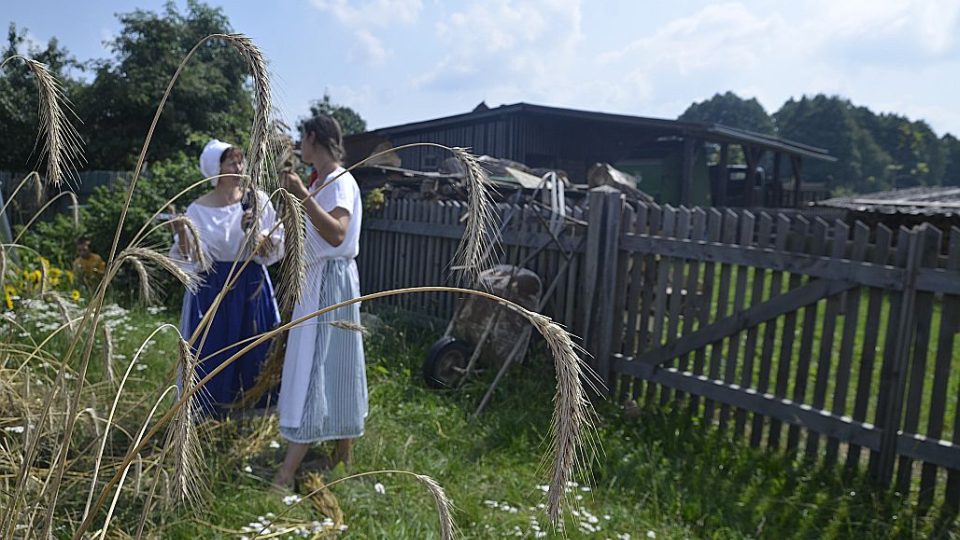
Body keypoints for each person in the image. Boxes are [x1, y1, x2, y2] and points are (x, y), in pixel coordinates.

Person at [274, 114, 366, 488]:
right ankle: (344, 458)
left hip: (329, 281)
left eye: (303, 139)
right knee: (337, 363)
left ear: (314, 137)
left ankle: (285, 474)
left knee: (316, 365)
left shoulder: (339, 181)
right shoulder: (323, 182)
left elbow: (337, 232)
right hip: (324, 280)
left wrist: (301, 195)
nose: (300, 146)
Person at [170, 139, 285, 417]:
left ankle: (253, 412)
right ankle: (209, 415)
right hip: (212, 287)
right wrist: (182, 233)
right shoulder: (197, 209)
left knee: (255, 346)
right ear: (215, 168)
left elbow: (276, 246)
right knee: (212, 349)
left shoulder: (256, 200)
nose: (239, 166)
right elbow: (191, 258)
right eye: (231, 162)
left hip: (251, 284)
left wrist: (259, 236)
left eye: (240, 161)